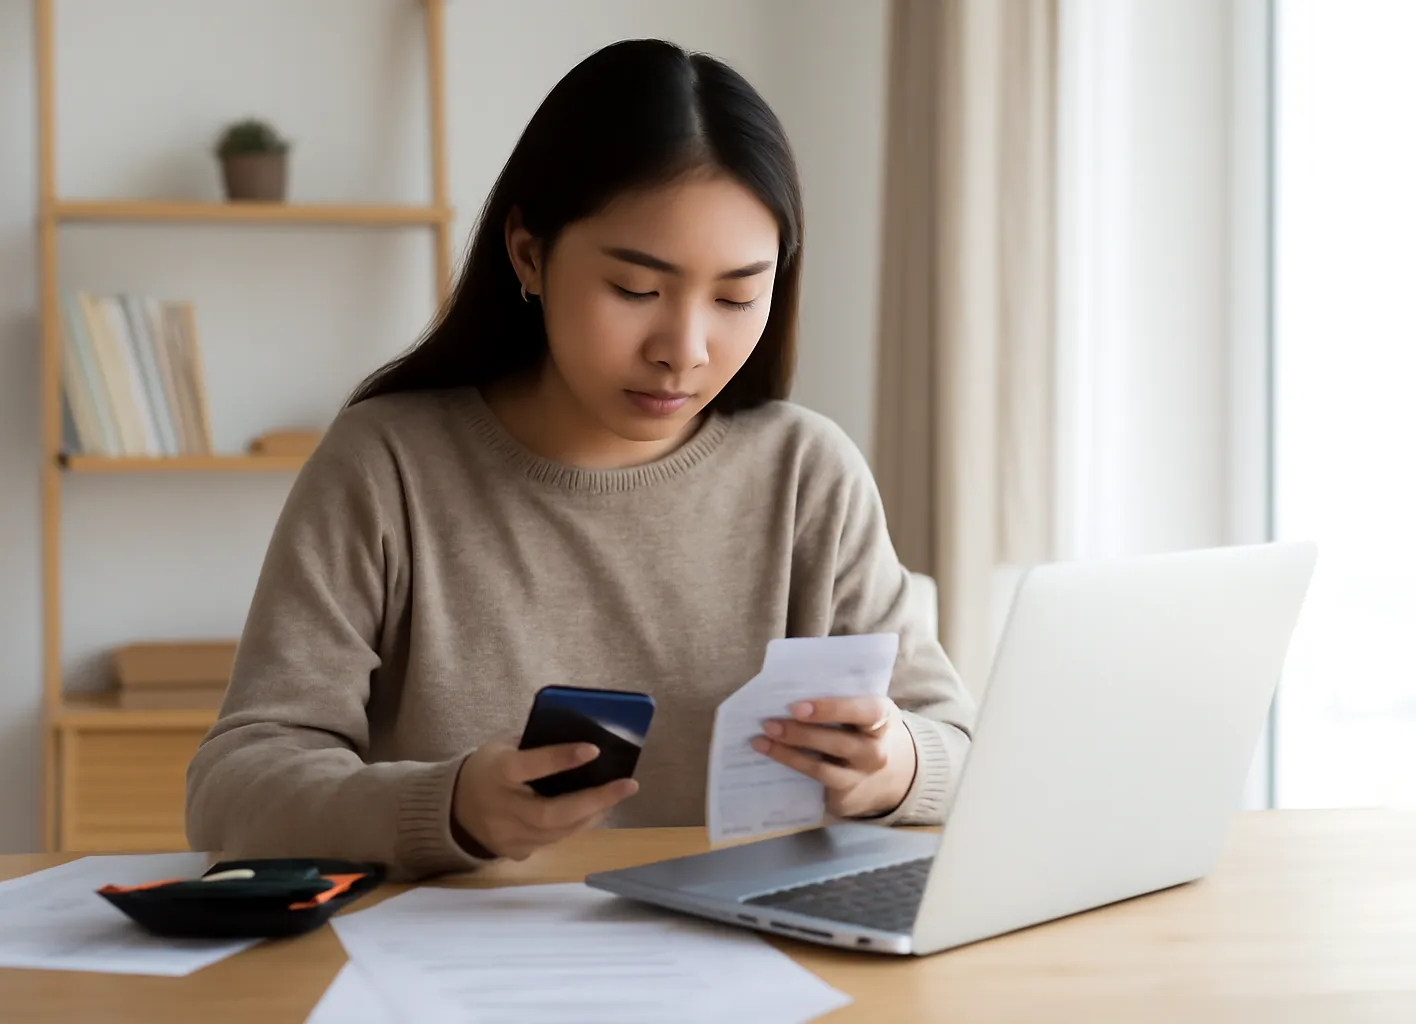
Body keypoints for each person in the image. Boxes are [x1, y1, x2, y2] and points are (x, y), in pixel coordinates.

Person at [185, 38, 975, 881]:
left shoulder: (807, 474)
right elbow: (231, 788)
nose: (685, 349)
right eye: (637, 290)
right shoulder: (387, 466)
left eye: (739, 296)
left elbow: (959, 749)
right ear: (528, 254)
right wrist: (443, 805)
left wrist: (897, 768)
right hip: (452, 974)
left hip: (746, 964)